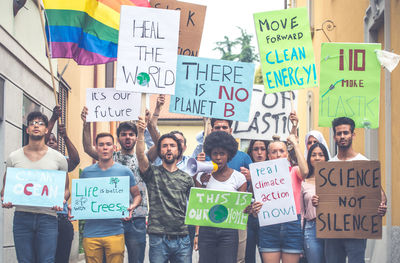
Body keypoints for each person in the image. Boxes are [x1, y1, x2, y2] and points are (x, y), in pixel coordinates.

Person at [311, 117, 387, 263]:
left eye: (346, 133)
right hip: (333, 233)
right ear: (334, 137)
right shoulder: (328, 166)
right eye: (339, 134)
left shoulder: (365, 163)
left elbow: (379, 195)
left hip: (357, 232)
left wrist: (381, 206)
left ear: (353, 134)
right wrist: (317, 201)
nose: (342, 137)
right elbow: (325, 199)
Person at [1, 111, 69, 262]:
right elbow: (5, 189)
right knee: (24, 260)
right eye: (32, 123)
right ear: (27, 129)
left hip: (48, 218)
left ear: (46, 130)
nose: (36, 126)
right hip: (22, 217)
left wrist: (61, 200)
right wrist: (5, 199)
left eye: (40, 123)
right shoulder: (14, 157)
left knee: (46, 260)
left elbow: (65, 190)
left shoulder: (59, 159)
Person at [136, 117, 194, 263]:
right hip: (158, 238)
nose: (168, 148)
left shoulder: (187, 178)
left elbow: (195, 207)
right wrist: (141, 134)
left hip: (183, 238)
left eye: (173, 145)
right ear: (159, 150)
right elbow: (140, 156)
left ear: (179, 150)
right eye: (165, 146)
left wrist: (197, 235)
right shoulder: (151, 173)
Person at [195, 118, 252, 263]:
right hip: (207, 230)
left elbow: (240, 209)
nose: (218, 158)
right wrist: (202, 183)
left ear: (229, 155)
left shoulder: (239, 178)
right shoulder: (201, 176)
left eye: (222, 154)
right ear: (210, 154)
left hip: (229, 231)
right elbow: (197, 207)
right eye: (215, 154)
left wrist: (248, 208)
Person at [79, 132, 141, 263]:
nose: (105, 148)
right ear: (96, 148)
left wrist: (132, 207)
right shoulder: (86, 172)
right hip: (91, 233)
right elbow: (82, 198)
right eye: (101, 145)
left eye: (108, 144)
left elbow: (137, 196)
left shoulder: (124, 171)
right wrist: (74, 207)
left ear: (114, 147)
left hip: (115, 231)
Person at [258, 135, 308, 263]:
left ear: (287, 154)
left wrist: (296, 144)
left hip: (291, 225)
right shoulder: (261, 175)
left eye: (281, 151)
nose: (278, 154)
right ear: (269, 156)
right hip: (269, 225)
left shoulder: (295, 171)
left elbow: (305, 172)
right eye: (274, 152)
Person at [47, 120, 80, 263]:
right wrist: (53, 118)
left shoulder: (62, 161)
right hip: (42, 217)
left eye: (53, 141)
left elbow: (76, 159)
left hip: (61, 218)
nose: (50, 142)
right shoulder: (32, 161)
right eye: (47, 140)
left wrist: (65, 136)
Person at [301, 143, 329, 263]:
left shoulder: (335, 180)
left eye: (321, 155)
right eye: (313, 155)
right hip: (311, 229)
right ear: (309, 158)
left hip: (332, 228)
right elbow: (302, 212)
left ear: (326, 158)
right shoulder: (303, 182)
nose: (317, 158)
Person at [245, 140, 269, 263]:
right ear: (251, 151)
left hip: (267, 218)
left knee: (268, 255)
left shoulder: (274, 170)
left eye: (263, 148)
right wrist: (251, 180)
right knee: (248, 256)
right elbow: (246, 197)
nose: (259, 153)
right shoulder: (245, 170)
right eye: (255, 149)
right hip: (249, 218)